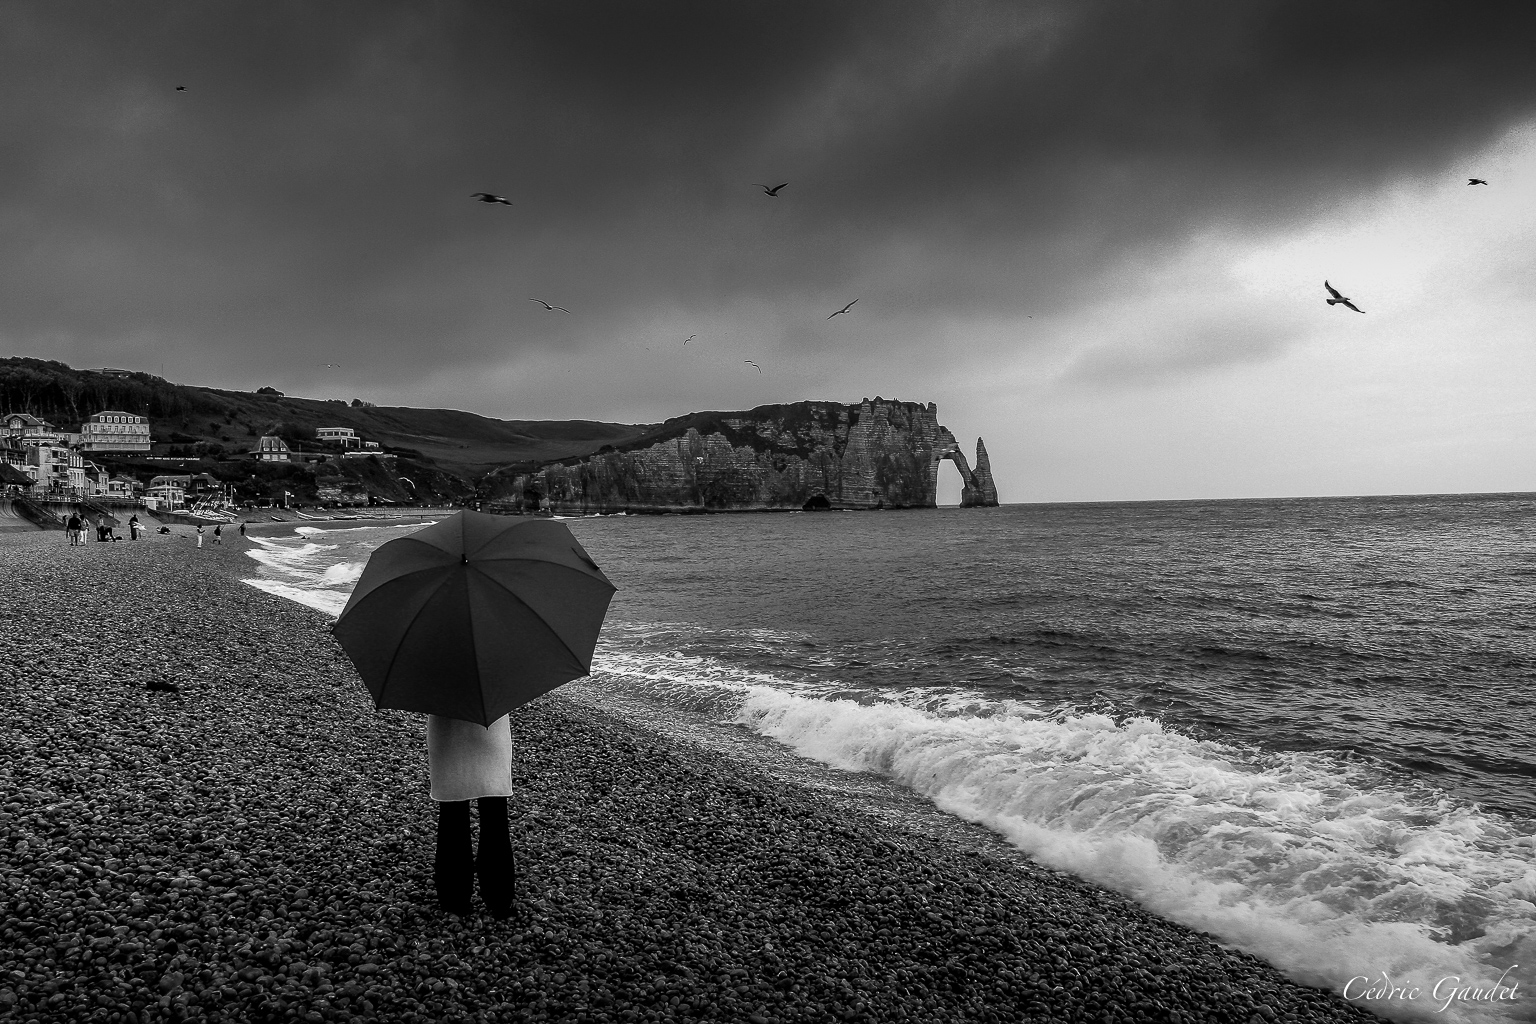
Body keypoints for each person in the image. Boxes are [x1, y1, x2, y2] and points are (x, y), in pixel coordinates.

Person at [427, 715, 516, 918]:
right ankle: (499, 898)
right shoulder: (494, 682)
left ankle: (454, 898)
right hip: (491, 726)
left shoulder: (433, 683)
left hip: (446, 727)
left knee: (453, 817)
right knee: (494, 817)